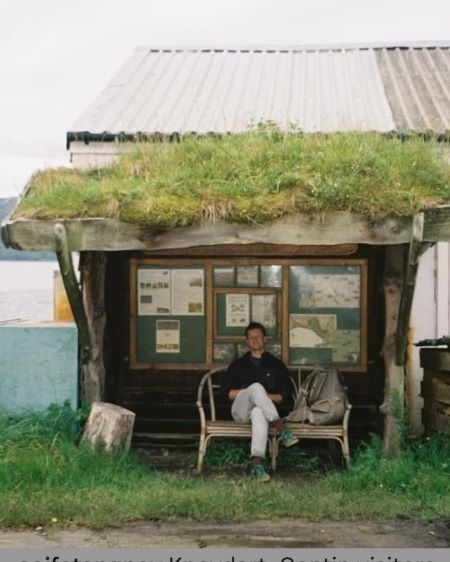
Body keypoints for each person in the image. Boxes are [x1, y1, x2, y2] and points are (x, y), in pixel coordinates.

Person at [223, 321, 299, 482]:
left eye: (258, 336)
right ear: (247, 341)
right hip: (241, 411)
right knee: (256, 387)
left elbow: (283, 396)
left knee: (259, 411)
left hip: (263, 413)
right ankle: (281, 428)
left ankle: (257, 466)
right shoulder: (238, 365)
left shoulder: (276, 365)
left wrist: (261, 398)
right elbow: (227, 394)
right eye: (251, 337)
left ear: (265, 339)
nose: (255, 339)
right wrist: (252, 393)